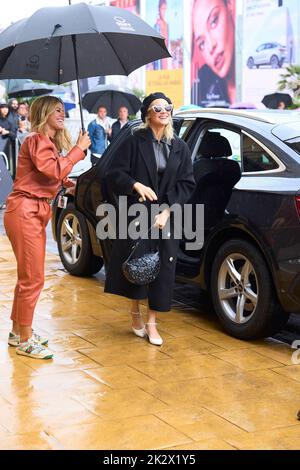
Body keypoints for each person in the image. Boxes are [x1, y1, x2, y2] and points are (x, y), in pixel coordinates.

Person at [3, 96, 91, 360]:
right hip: (26, 210)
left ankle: (18, 331)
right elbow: (51, 171)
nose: (62, 114)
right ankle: (26, 341)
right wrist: (78, 149)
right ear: (43, 113)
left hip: (33, 210)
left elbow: (53, 176)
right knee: (33, 278)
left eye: (63, 110)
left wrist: (71, 183)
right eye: (57, 110)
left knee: (27, 276)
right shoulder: (35, 140)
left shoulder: (46, 143)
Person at [104, 92, 195, 346]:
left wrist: (166, 211)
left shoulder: (180, 146)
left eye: (168, 107)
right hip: (138, 213)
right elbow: (114, 173)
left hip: (168, 217)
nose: (164, 111)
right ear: (147, 114)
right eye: (158, 108)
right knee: (138, 264)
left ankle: (152, 322)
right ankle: (135, 313)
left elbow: (187, 183)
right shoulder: (134, 141)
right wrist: (135, 185)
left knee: (162, 269)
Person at [191, 0, 236, 106]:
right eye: (202, 43)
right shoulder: (202, 85)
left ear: (230, 5)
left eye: (214, 21)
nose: (211, 46)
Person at [153, 0, 169, 70]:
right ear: (158, 9)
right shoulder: (157, 25)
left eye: (165, 9)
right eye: (162, 9)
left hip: (166, 54)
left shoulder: (166, 24)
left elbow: (167, 41)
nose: (164, 12)